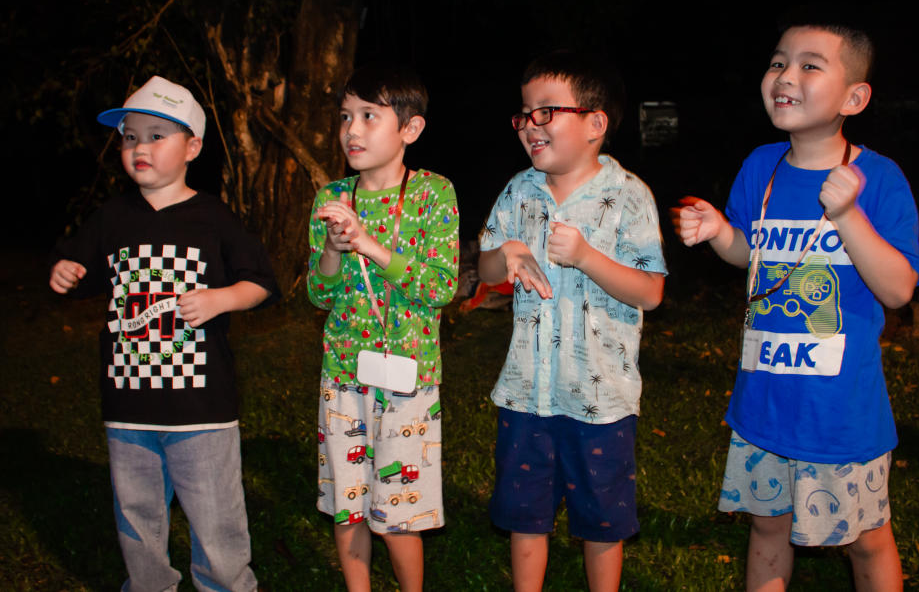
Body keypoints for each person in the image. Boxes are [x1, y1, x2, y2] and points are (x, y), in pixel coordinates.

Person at [673, 21, 919, 591]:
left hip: (840, 414)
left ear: (854, 98)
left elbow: (898, 290)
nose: (785, 76)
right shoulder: (760, 166)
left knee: (866, 540)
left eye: (810, 65)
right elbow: (753, 254)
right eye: (778, 62)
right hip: (763, 404)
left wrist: (848, 215)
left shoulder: (879, 179)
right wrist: (719, 232)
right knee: (767, 528)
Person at [49, 75, 279, 591]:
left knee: (217, 518)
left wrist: (221, 298)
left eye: (156, 136)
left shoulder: (213, 217)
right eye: (130, 137)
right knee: (137, 516)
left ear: (192, 147)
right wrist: (65, 271)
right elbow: (80, 270)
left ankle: (226, 585)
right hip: (128, 404)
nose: (140, 148)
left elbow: (262, 283)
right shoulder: (111, 218)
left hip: (202, 408)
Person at [478, 51, 666, 592]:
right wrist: (507, 253)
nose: (529, 125)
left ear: (595, 123)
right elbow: (486, 270)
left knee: (603, 521)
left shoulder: (629, 195)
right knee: (525, 516)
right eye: (524, 114)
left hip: (600, 398)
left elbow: (650, 291)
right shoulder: (518, 191)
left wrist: (585, 257)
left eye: (546, 112)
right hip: (526, 393)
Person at [307, 64, 458, 592]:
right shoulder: (331, 198)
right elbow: (319, 294)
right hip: (343, 375)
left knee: (398, 512)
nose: (352, 129)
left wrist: (369, 244)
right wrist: (332, 249)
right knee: (348, 505)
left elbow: (440, 286)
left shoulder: (433, 194)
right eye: (346, 116)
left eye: (369, 116)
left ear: (410, 129)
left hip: (409, 382)